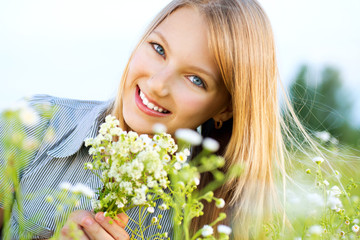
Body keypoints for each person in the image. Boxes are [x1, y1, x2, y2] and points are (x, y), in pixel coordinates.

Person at [0, 0, 290, 239]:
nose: (157, 85)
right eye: (159, 49)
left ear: (225, 110)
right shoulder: (34, 124)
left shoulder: (216, 217)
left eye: (195, 79)